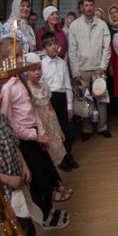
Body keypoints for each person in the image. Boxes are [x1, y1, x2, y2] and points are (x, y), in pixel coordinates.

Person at [0, 38, 70, 230]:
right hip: (25, 142)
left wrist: (41, 132)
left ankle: (50, 211)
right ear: (4, 61)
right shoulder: (7, 88)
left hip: (35, 136)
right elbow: (9, 123)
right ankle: (44, 217)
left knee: (47, 177)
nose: (22, 59)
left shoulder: (20, 81)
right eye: (17, 56)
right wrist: (34, 136)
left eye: (21, 54)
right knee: (38, 182)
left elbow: (32, 109)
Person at [0, 86, 60, 236]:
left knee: (27, 216)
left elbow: (14, 144)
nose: (1, 96)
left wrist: (24, 166)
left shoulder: (1, 118)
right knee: (18, 224)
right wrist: (8, 180)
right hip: (4, 186)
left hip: (18, 178)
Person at [68, 0, 113, 140]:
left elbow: (107, 48)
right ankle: (87, 129)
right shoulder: (74, 25)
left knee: (101, 99)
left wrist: (103, 67)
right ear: (82, 7)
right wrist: (76, 72)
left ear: (94, 6)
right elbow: (72, 50)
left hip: (98, 69)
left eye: (91, 5)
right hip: (82, 70)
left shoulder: (102, 25)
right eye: (86, 5)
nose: (89, 8)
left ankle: (102, 127)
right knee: (84, 100)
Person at [40, 31, 77, 172]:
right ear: (44, 48)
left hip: (62, 97)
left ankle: (68, 154)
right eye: (50, 45)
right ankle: (60, 158)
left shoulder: (62, 63)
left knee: (65, 127)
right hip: (50, 99)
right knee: (55, 129)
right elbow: (42, 85)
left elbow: (67, 85)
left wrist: (69, 106)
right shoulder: (42, 64)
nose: (54, 47)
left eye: (55, 43)